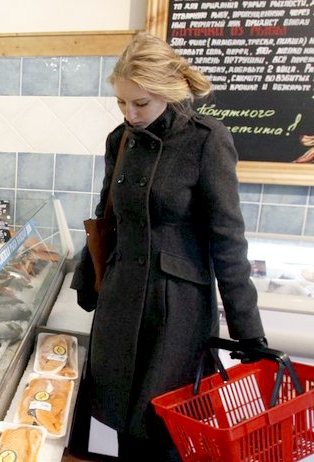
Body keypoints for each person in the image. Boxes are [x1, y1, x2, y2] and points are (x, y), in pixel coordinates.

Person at [70, 32, 267, 461]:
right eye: (122, 103)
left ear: (167, 91)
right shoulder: (120, 139)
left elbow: (228, 238)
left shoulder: (205, 139)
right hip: (121, 302)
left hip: (176, 311)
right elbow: (107, 214)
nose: (130, 114)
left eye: (140, 103)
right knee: (123, 426)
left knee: (167, 432)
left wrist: (247, 328)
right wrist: (88, 278)